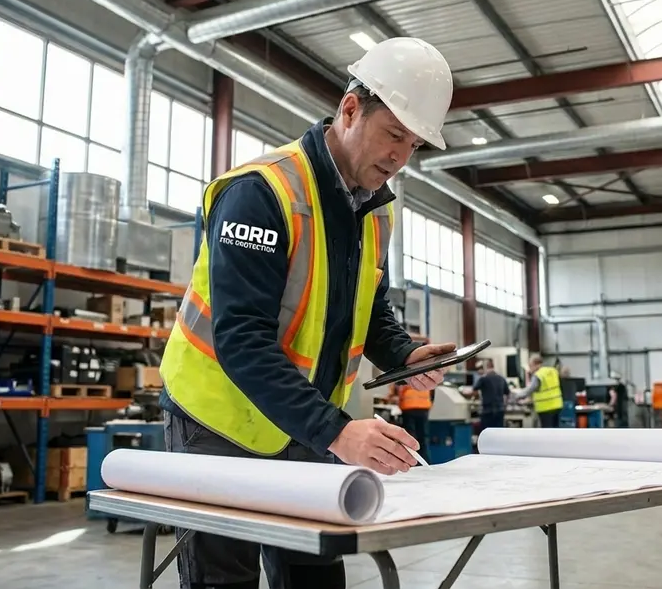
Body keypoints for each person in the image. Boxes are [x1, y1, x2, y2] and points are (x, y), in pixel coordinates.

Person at [157, 36, 458, 589]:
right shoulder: (261, 192)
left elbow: (369, 310)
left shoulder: (374, 213)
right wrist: (338, 432)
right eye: (393, 134)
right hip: (218, 421)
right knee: (227, 582)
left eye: (413, 144)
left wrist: (406, 352)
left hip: (303, 424)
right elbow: (242, 339)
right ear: (349, 108)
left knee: (315, 576)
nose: (399, 157)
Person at [511, 354, 563, 428]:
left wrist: (517, 395)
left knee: (547, 431)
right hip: (557, 405)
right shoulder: (552, 371)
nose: (530, 368)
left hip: (545, 408)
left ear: (536, 364)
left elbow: (531, 389)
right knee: (555, 430)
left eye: (530, 365)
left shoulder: (538, 375)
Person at [388, 382, 434, 462]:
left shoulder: (404, 374)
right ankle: (425, 461)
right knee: (423, 436)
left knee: (410, 436)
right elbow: (432, 391)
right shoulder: (425, 374)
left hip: (408, 407)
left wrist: (394, 397)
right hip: (424, 407)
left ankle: (411, 461)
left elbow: (398, 389)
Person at [463, 358, 509, 431]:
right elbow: (507, 393)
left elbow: (474, 391)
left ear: (486, 367)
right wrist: (504, 406)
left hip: (487, 411)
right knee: (499, 432)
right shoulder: (501, 378)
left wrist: (463, 393)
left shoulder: (483, 379)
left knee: (487, 433)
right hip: (500, 411)